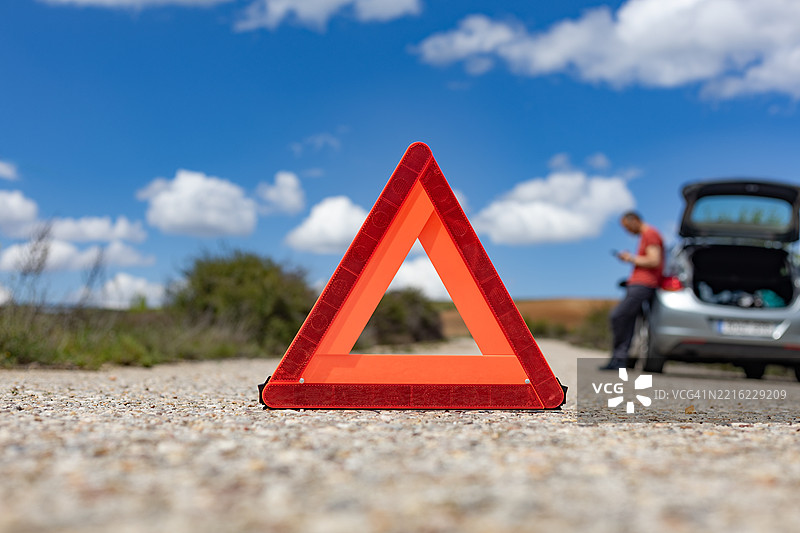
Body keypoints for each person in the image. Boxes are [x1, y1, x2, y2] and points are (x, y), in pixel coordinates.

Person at [601, 211, 664, 370]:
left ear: (634, 220)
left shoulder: (650, 234)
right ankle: (620, 360)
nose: (627, 231)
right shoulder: (645, 236)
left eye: (627, 226)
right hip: (637, 284)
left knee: (619, 316)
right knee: (629, 321)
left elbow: (653, 260)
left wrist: (630, 258)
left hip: (643, 284)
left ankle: (620, 358)